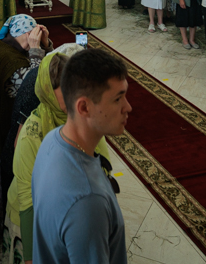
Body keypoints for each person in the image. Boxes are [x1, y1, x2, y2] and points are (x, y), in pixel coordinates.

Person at [32, 48, 128, 264]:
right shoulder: (88, 202)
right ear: (83, 107)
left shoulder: (53, 140)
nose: (127, 107)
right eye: (117, 99)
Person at [8, 49, 99, 264]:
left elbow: (100, 162)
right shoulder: (33, 132)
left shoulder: (84, 116)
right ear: (47, 94)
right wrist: (30, 255)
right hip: (33, 218)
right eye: (62, 99)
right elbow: (27, 195)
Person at [0, 16, 51, 167]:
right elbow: (35, 87)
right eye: (32, 33)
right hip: (11, 120)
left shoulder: (13, 46)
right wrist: (36, 50)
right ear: (24, 34)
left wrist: (46, 44)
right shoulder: (9, 57)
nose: (33, 38)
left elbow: (51, 69)